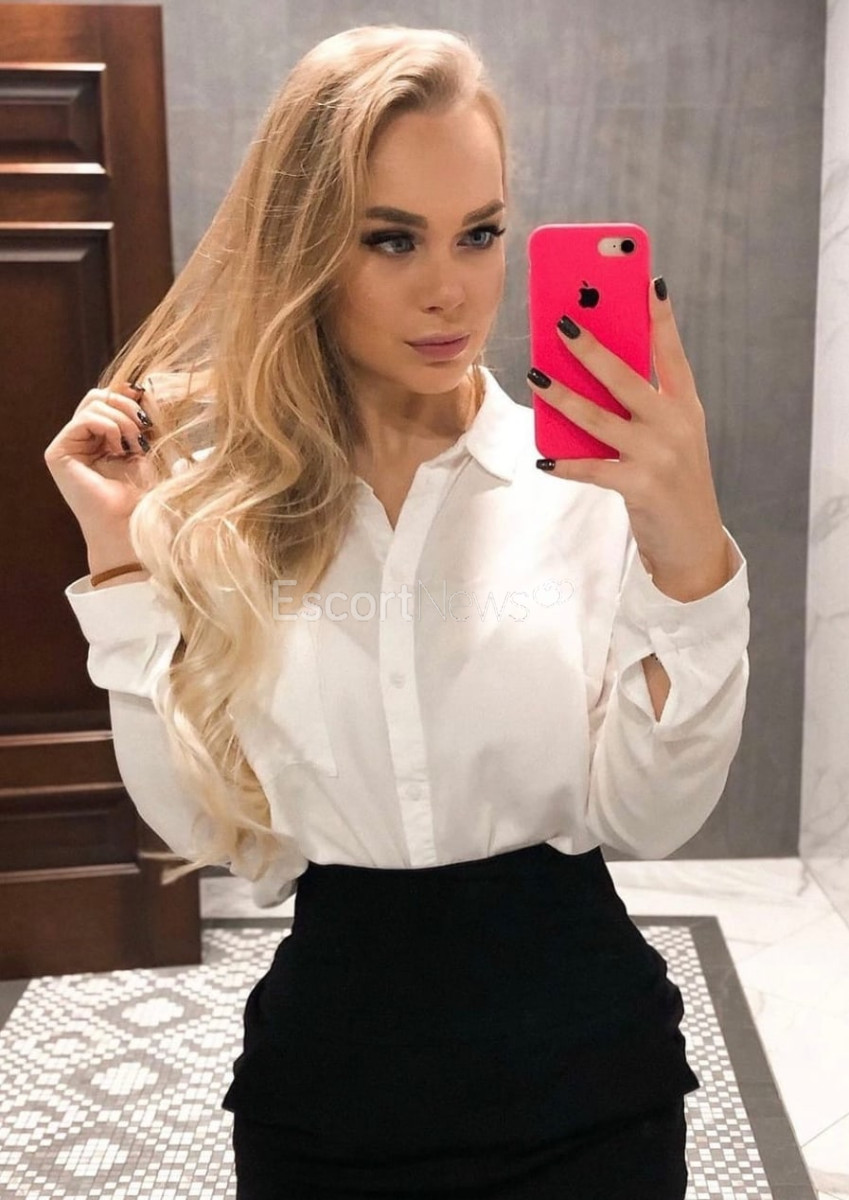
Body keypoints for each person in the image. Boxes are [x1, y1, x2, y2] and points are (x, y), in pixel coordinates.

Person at [44, 24, 750, 1200]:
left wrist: (688, 549)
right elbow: (220, 834)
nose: (450, 288)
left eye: (480, 232)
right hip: (330, 1089)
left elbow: (653, 813)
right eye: (391, 238)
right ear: (304, 246)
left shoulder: (585, 490)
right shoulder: (219, 507)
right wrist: (121, 563)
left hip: (589, 1079)